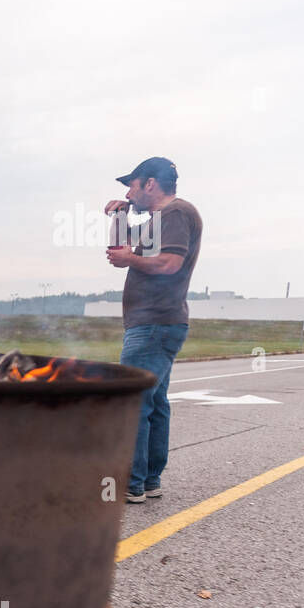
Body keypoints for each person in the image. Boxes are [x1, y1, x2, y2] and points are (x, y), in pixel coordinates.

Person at [104, 157, 202, 504]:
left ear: (149, 184)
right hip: (157, 322)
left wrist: (131, 260)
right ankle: (148, 480)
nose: (128, 192)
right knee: (155, 401)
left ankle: (132, 483)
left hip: (154, 323)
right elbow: (118, 252)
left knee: (135, 400)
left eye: (131, 185)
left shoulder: (175, 213)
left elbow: (169, 263)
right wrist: (119, 216)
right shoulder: (155, 222)